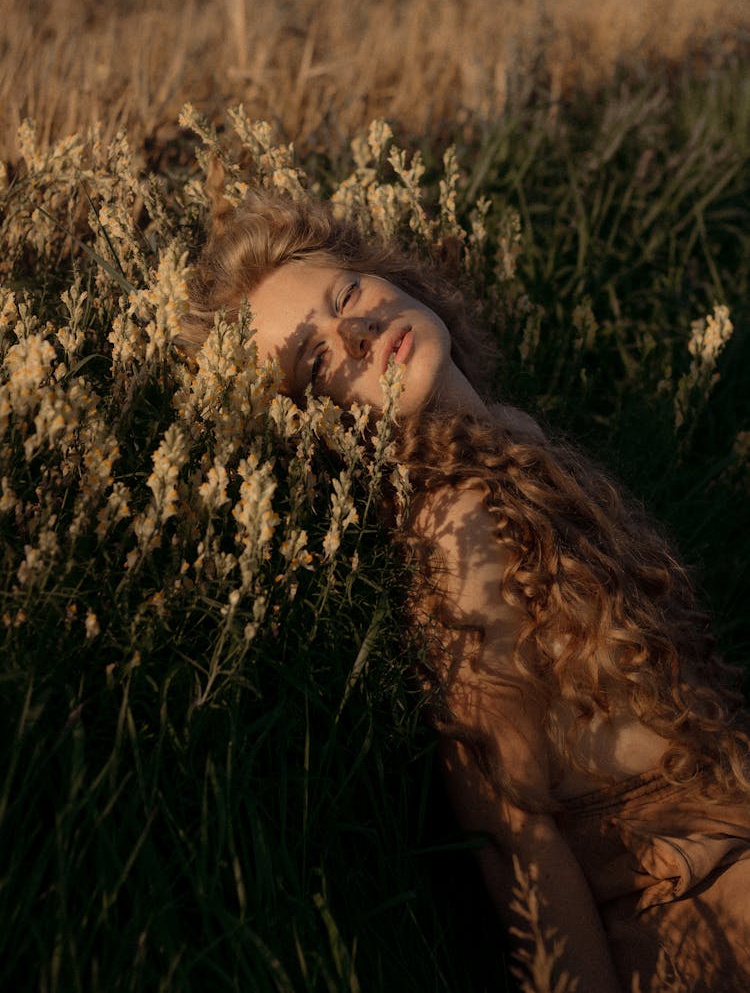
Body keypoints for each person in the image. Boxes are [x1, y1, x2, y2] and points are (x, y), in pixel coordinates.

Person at [180, 166, 750, 993]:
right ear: (318, 433)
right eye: (316, 360)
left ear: (392, 277)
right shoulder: (451, 533)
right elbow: (514, 831)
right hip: (695, 914)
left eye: (347, 295)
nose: (358, 333)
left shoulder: (512, 438)